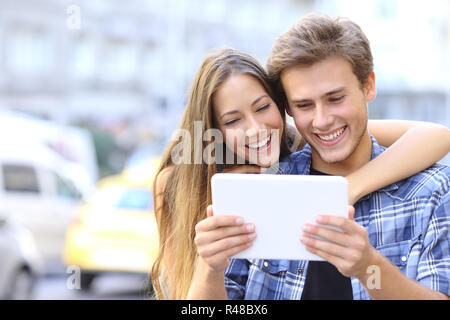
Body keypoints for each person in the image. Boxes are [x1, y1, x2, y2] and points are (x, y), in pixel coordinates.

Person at [151, 47, 450, 299]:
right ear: (213, 130)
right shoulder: (177, 183)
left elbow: (435, 135)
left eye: (262, 107)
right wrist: (209, 267)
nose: (255, 129)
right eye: (232, 121)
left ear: (282, 107)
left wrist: (350, 187)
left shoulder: (301, 138)